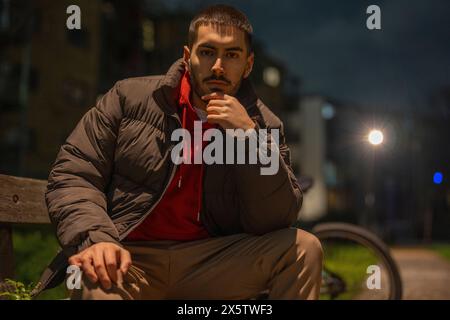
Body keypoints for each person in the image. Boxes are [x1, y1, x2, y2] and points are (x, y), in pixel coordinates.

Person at [33, 4, 323, 300]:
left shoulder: (264, 125)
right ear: (188, 57)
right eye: (208, 52)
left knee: (304, 248)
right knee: (99, 287)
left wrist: (249, 137)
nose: (218, 66)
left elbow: (275, 218)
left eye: (232, 55)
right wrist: (96, 240)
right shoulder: (129, 98)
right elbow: (74, 176)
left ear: (248, 65)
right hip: (131, 259)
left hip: (212, 265)